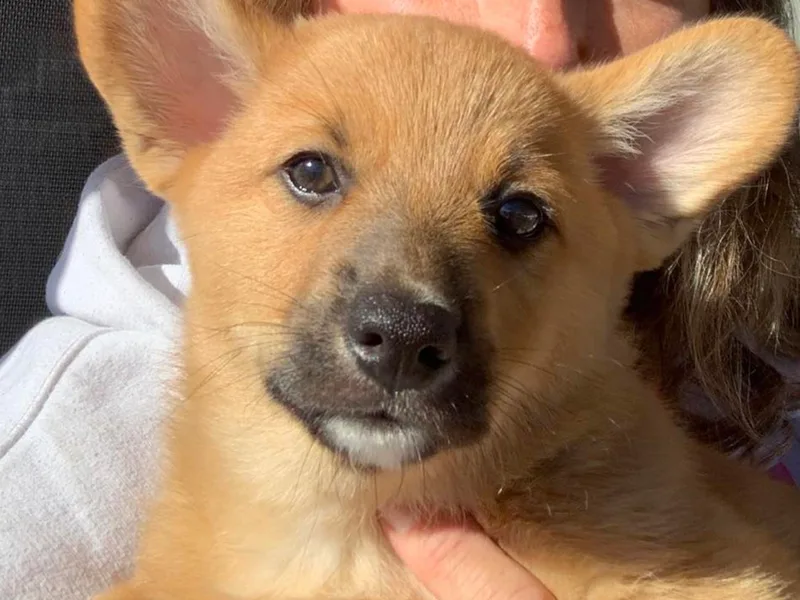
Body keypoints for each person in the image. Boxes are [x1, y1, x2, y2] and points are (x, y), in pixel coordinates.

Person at [0, 1, 798, 599]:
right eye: (311, 175)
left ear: (633, 191)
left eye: (517, 216)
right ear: (193, 115)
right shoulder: (49, 455)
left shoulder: (647, 522)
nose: (543, 27)